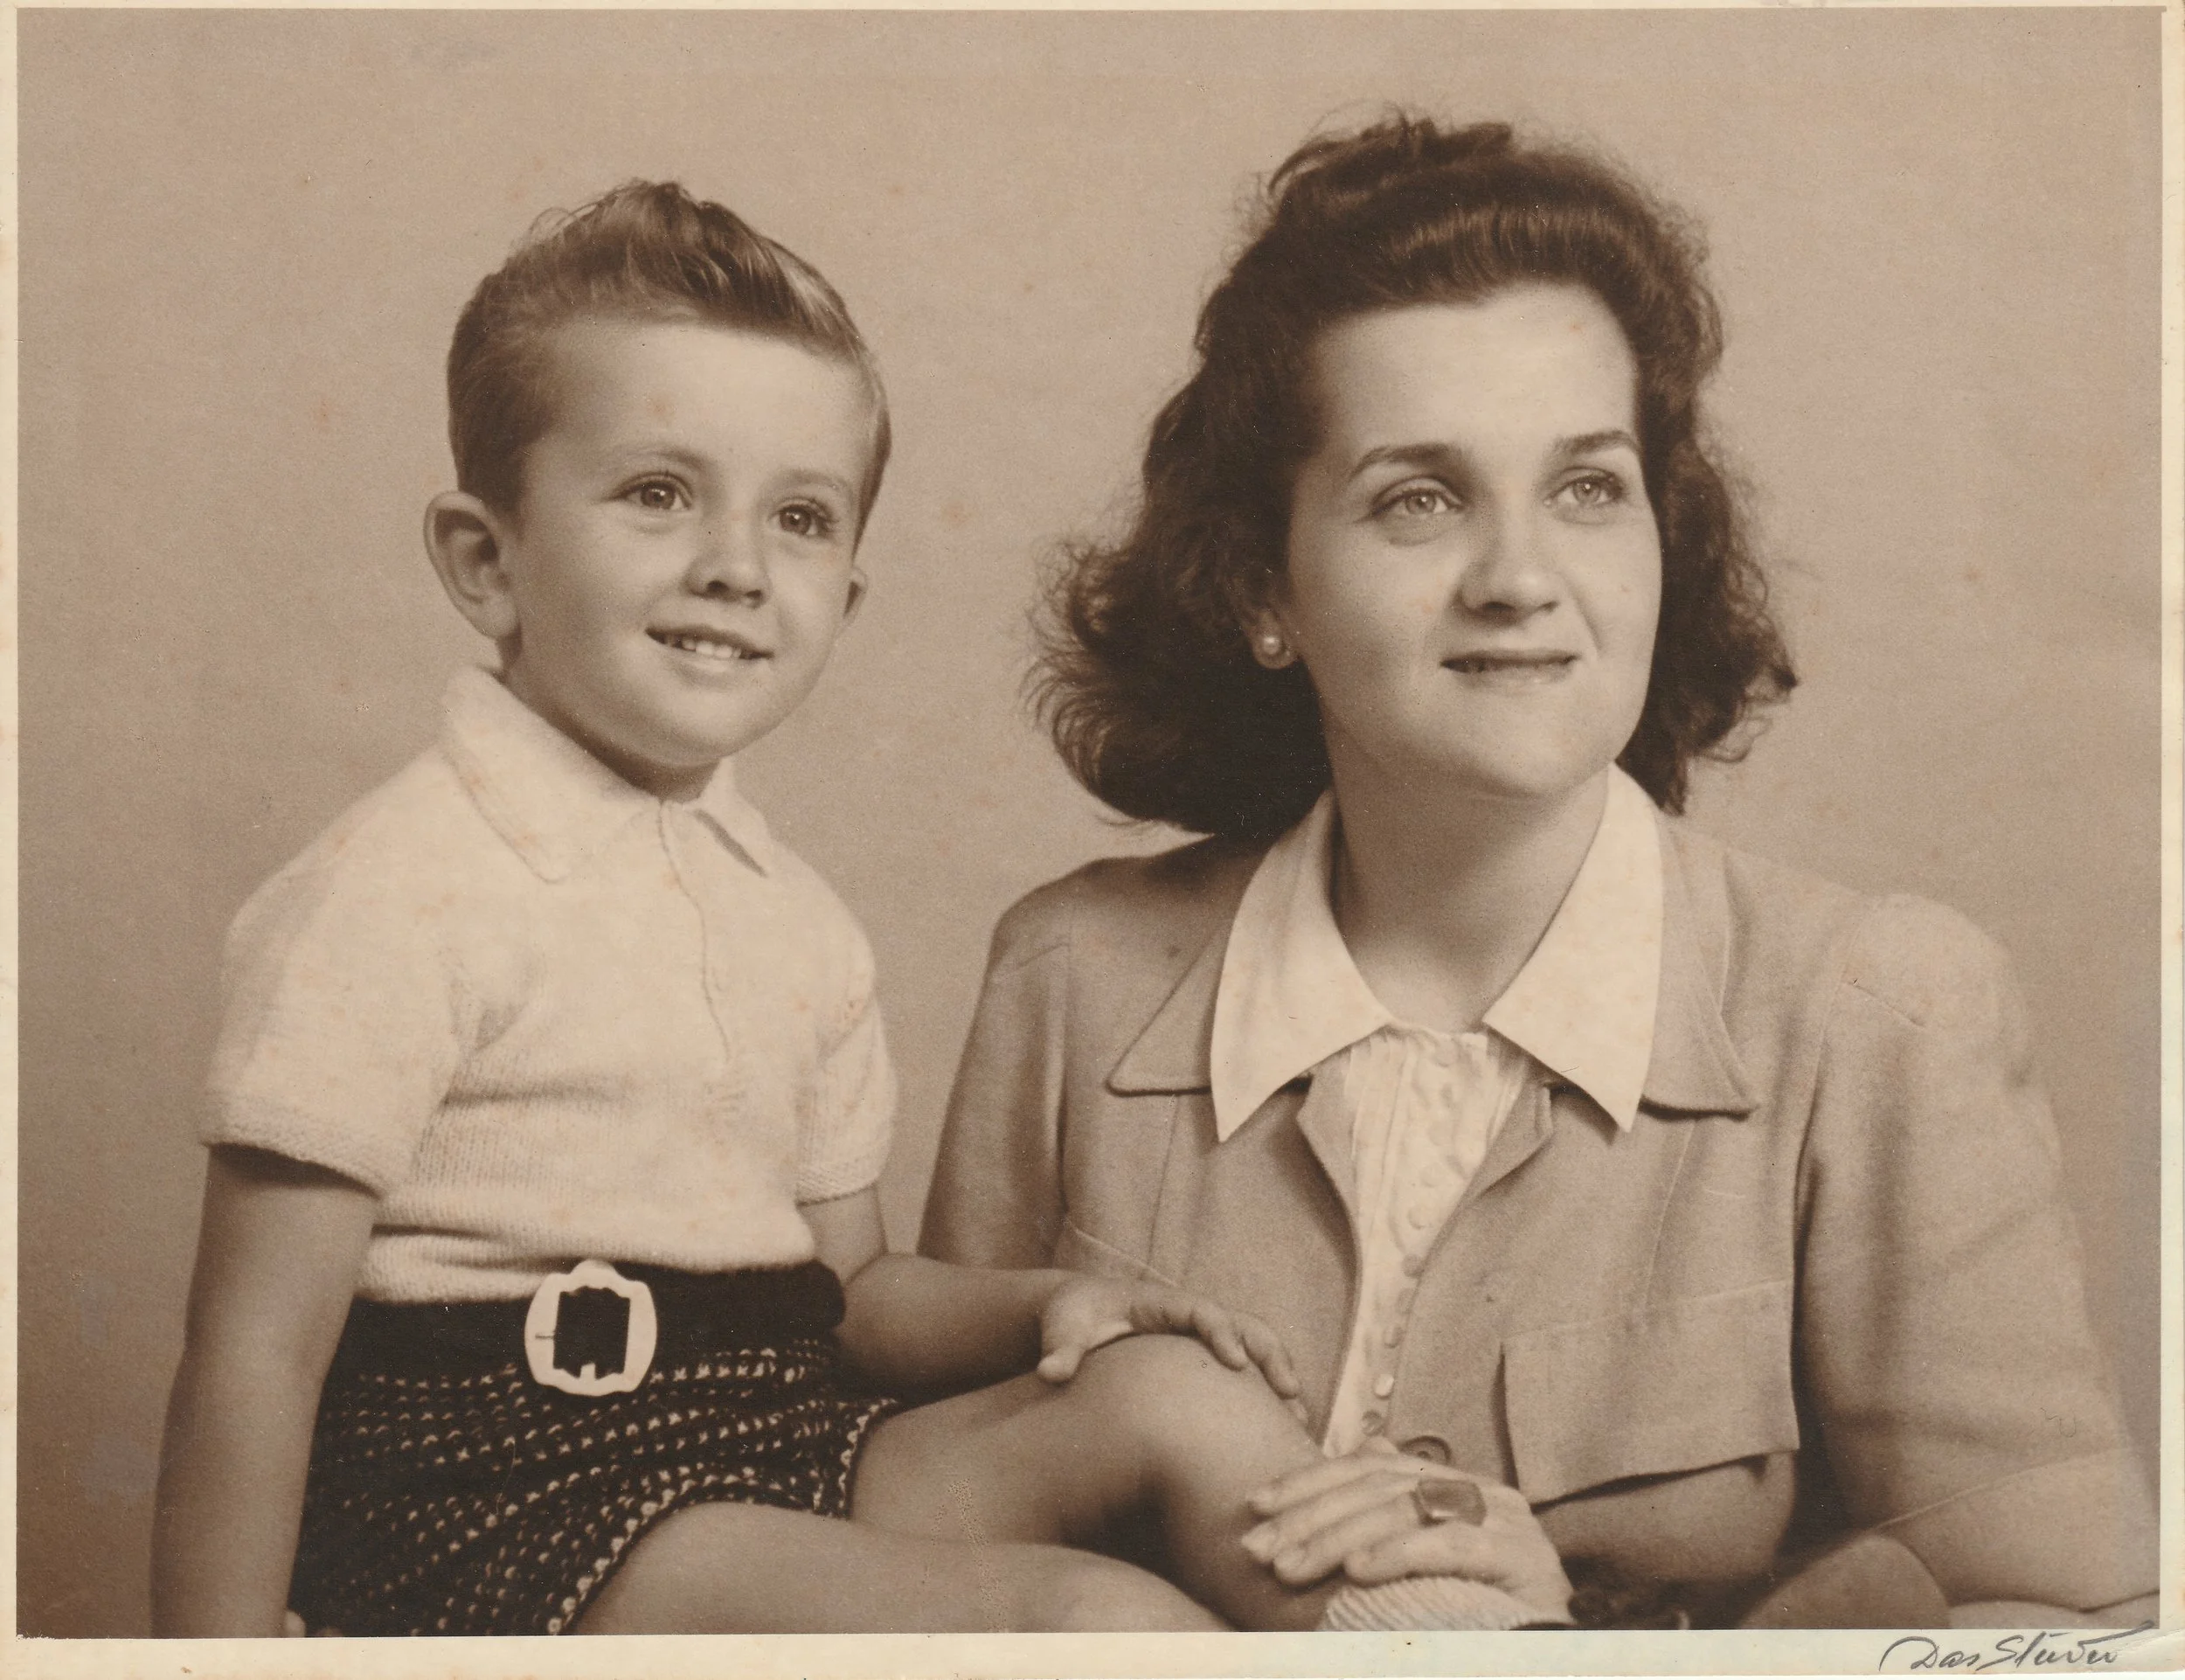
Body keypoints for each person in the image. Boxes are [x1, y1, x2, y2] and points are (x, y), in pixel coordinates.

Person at [149, 180, 1575, 1638]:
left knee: (1172, 1393)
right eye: (657, 492)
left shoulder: (794, 917)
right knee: (1087, 1623)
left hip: (763, 1445)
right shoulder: (392, 893)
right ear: (485, 559)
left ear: (847, 590)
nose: (735, 563)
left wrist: (1043, 1312)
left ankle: (1456, 1647)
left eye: (801, 517)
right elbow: (254, 1351)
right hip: (503, 1499)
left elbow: (854, 1294)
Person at [922, 116, 2159, 1629]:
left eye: (1587, 488)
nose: (1520, 578)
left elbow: (2072, 1644)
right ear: (1264, 590)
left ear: (1661, 533)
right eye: (1418, 499)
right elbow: (930, 1576)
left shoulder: (1878, 1014)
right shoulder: (1069, 980)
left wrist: (1602, 1645)